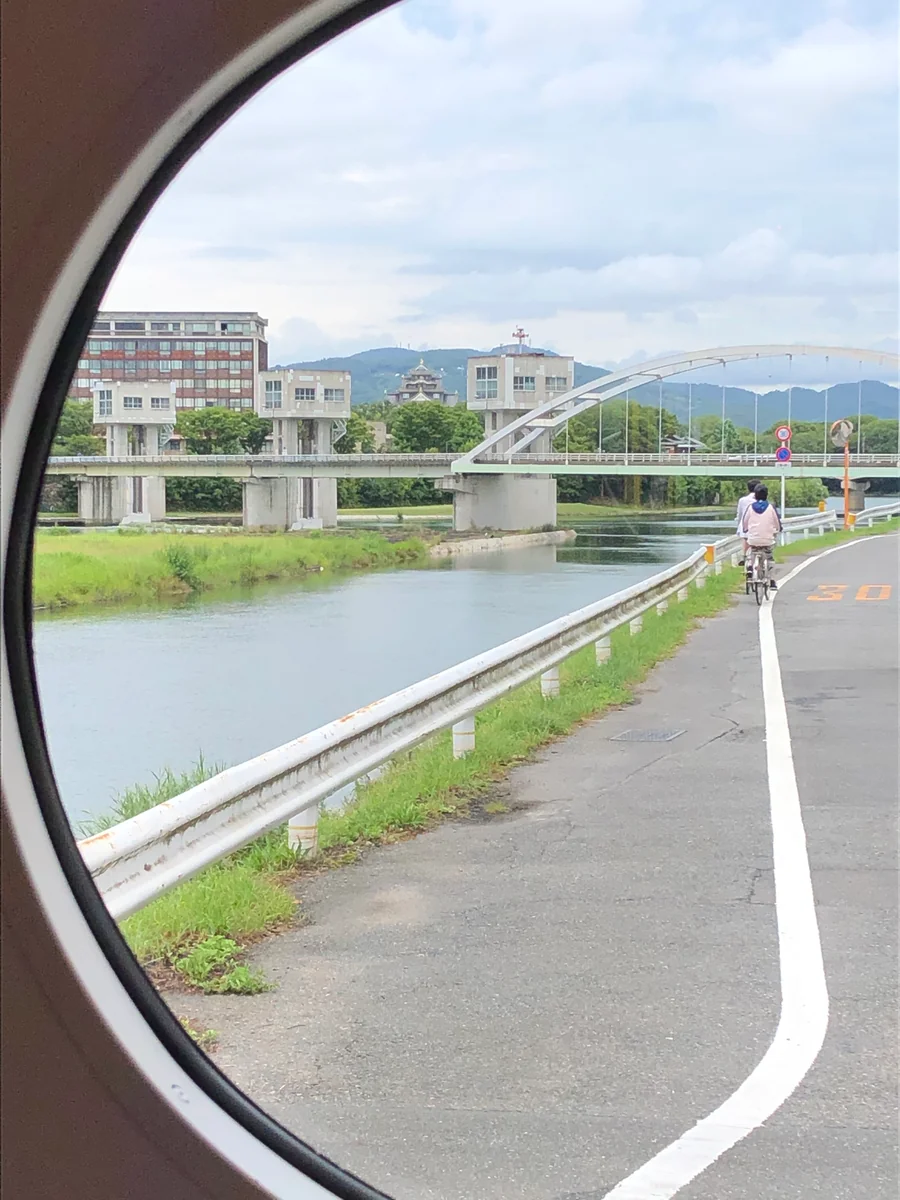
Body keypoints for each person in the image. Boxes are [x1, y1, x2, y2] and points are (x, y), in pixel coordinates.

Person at [741, 484, 782, 591]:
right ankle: (772, 581)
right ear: (766, 495)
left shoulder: (750, 507)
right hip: (767, 539)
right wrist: (777, 530)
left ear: (755, 496)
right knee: (769, 557)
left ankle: (750, 566)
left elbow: (744, 522)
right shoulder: (771, 507)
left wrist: (746, 530)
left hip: (753, 539)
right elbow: (777, 523)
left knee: (753, 552)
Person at [735, 480, 761, 565]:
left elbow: (740, 515)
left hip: (745, 527)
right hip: (758, 526)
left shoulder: (742, 500)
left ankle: (744, 556)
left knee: (746, 539)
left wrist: (739, 526)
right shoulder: (761, 500)